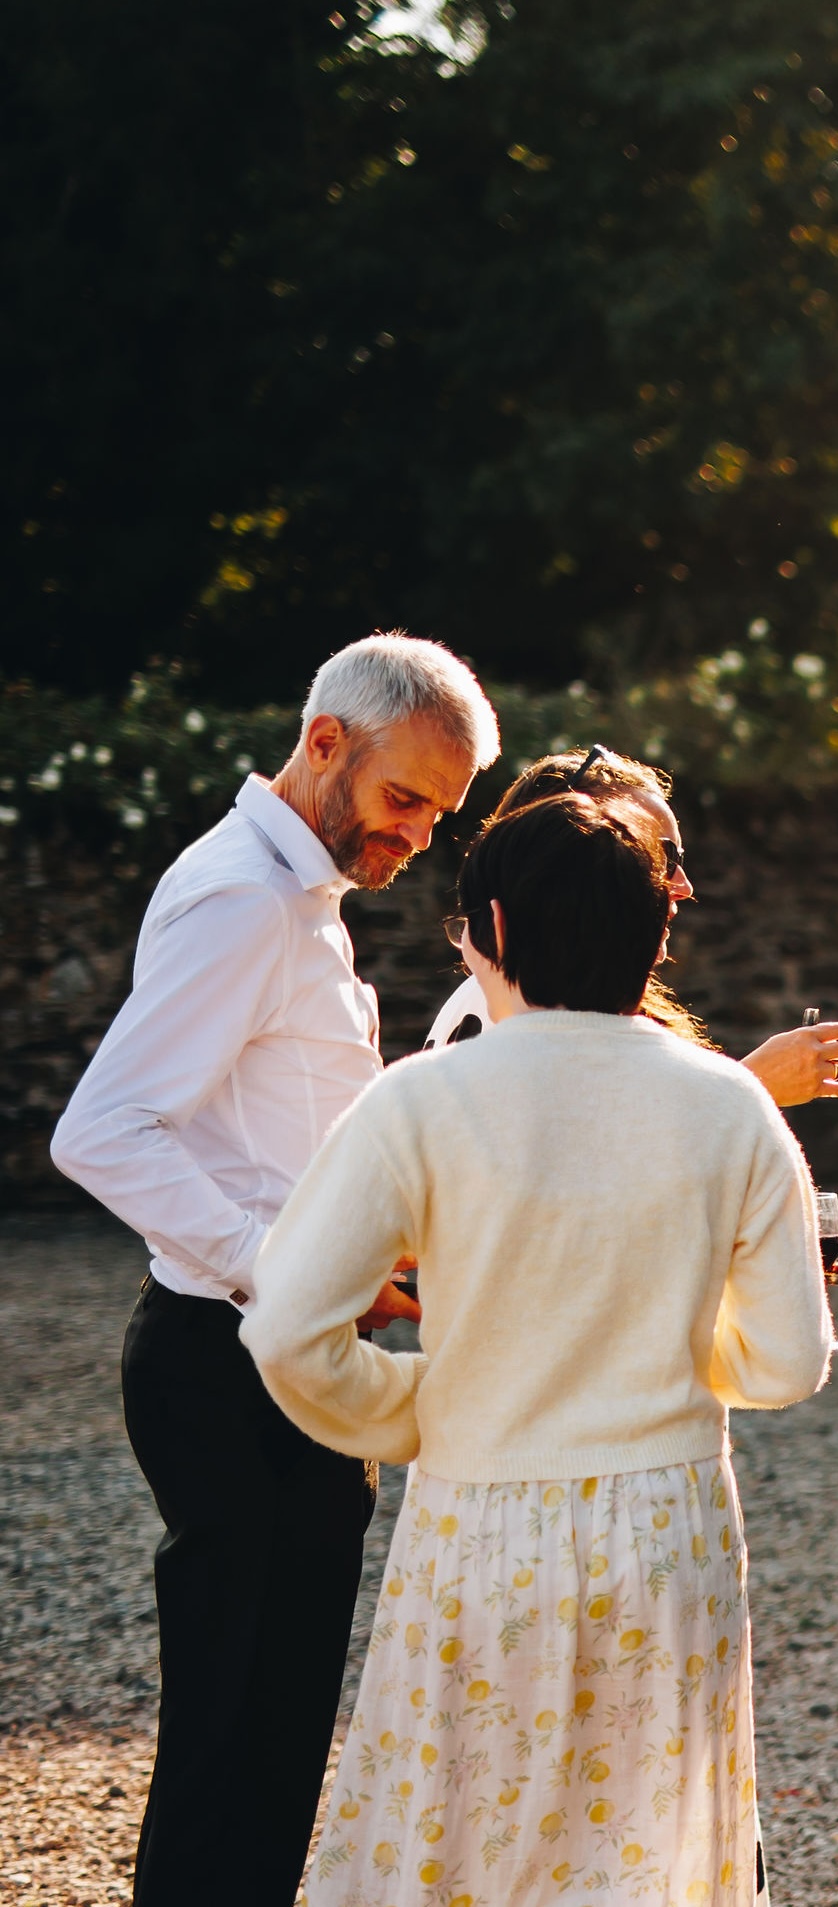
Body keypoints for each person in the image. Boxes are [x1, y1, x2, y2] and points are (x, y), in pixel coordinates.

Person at [242, 792, 837, 1905]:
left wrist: (417, 1403)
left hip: (480, 1515)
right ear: (654, 936)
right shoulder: (733, 1104)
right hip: (668, 1523)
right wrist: (663, 1339)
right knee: (641, 1855)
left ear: (499, 929)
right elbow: (787, 1364)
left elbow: (284, 1325)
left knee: (460, 1834)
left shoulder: (423, 1099)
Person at [49, 633, 499, 1907]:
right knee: (235, 1742)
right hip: (226, 1365)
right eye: (403, 797)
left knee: (273, 1737)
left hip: (276, 1357)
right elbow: (102, 1131)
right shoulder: (247, 898)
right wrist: (288, 1270)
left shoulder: (291, 893)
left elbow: (261, 1132)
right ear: (323, 745)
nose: (416, 835)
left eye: (437, 813)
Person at [420, 743, 838, 1107]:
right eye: (658, 856)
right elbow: (587, 1170)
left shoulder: (555, 998)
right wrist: (753, 1086)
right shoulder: (514, 1007)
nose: (682, 884)